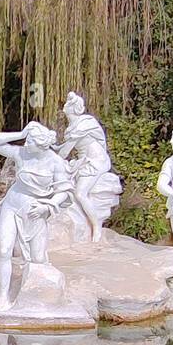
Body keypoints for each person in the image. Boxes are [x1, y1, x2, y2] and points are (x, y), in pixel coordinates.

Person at [0, 122, 73, 310]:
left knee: (37, 259)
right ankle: (3, 297)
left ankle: (38, 295)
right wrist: (20, 133)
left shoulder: (55, 163)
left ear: (43, 144)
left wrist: (47, 206)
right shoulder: (21, 153)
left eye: (31, 141)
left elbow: (64, 191)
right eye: (26, 140)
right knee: (4, 250)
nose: (26, 144)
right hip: (11, 205)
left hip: (35, 212)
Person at [55, 92, 121, 242]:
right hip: (83, 160)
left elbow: (64, 152)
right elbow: (64, 149)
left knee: (80, 193)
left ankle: (96, 226)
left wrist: (51, 160)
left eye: (67, 103)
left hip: (95, 161)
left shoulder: (84, 123)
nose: (64, 105)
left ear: (72, 108)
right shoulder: (71, 128)